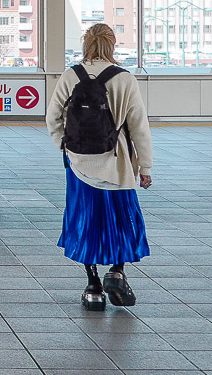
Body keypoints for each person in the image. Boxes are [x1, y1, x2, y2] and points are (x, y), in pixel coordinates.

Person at [46, 24, 153, 309]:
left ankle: (92, 286)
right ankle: (117, 272)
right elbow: (139, 127)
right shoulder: (124, 79)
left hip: (80, 165)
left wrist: (65, 147)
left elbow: (52, 117)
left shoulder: (71, 76)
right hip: (117, 166)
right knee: (122, 220)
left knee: (85, 221)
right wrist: (145, 168)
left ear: (86, 44)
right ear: (112, 45)